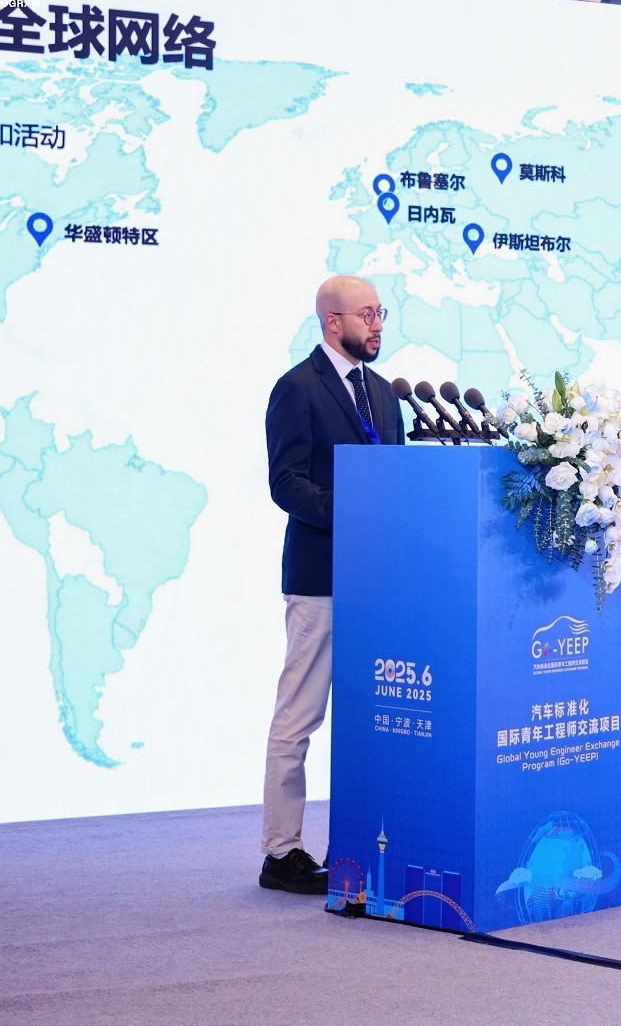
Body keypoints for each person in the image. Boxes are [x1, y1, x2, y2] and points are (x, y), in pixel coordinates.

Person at [259, 275, 404, 894]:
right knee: (301, 714)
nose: (377, 325)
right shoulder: (297, 388)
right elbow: (286, 483)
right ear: (332, 321)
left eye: (380, 313)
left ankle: (364, 840)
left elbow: (398, 478)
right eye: (366, 315)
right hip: (321, 577)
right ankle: (281, 851)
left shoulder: (384, 393)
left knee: (376, 717)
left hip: (379, 583)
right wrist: (357, 511)